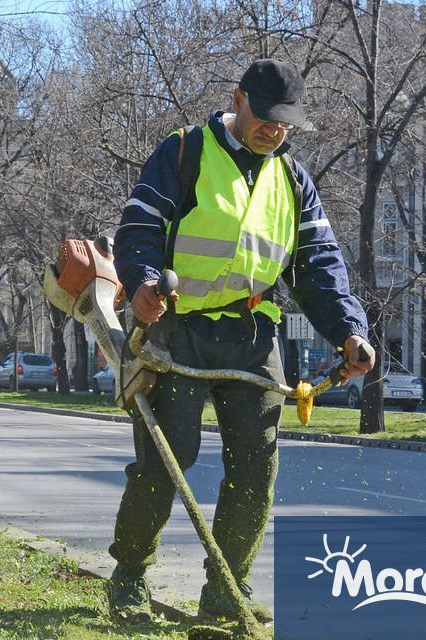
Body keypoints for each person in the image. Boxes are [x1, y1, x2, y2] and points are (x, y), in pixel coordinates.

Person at [108, 59, 375, 624]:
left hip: (253, 334)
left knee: (255, 468)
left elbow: (321, 266)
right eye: (267, 118)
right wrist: (142, 283)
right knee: (166, 460)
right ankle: (130, 573)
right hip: (176, 330)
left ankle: (227, 590)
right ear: (239, 99)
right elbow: (139, 227)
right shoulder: (184, 152)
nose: (274, 131)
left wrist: (351, 331)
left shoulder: (293, 180)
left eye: (286, 123)